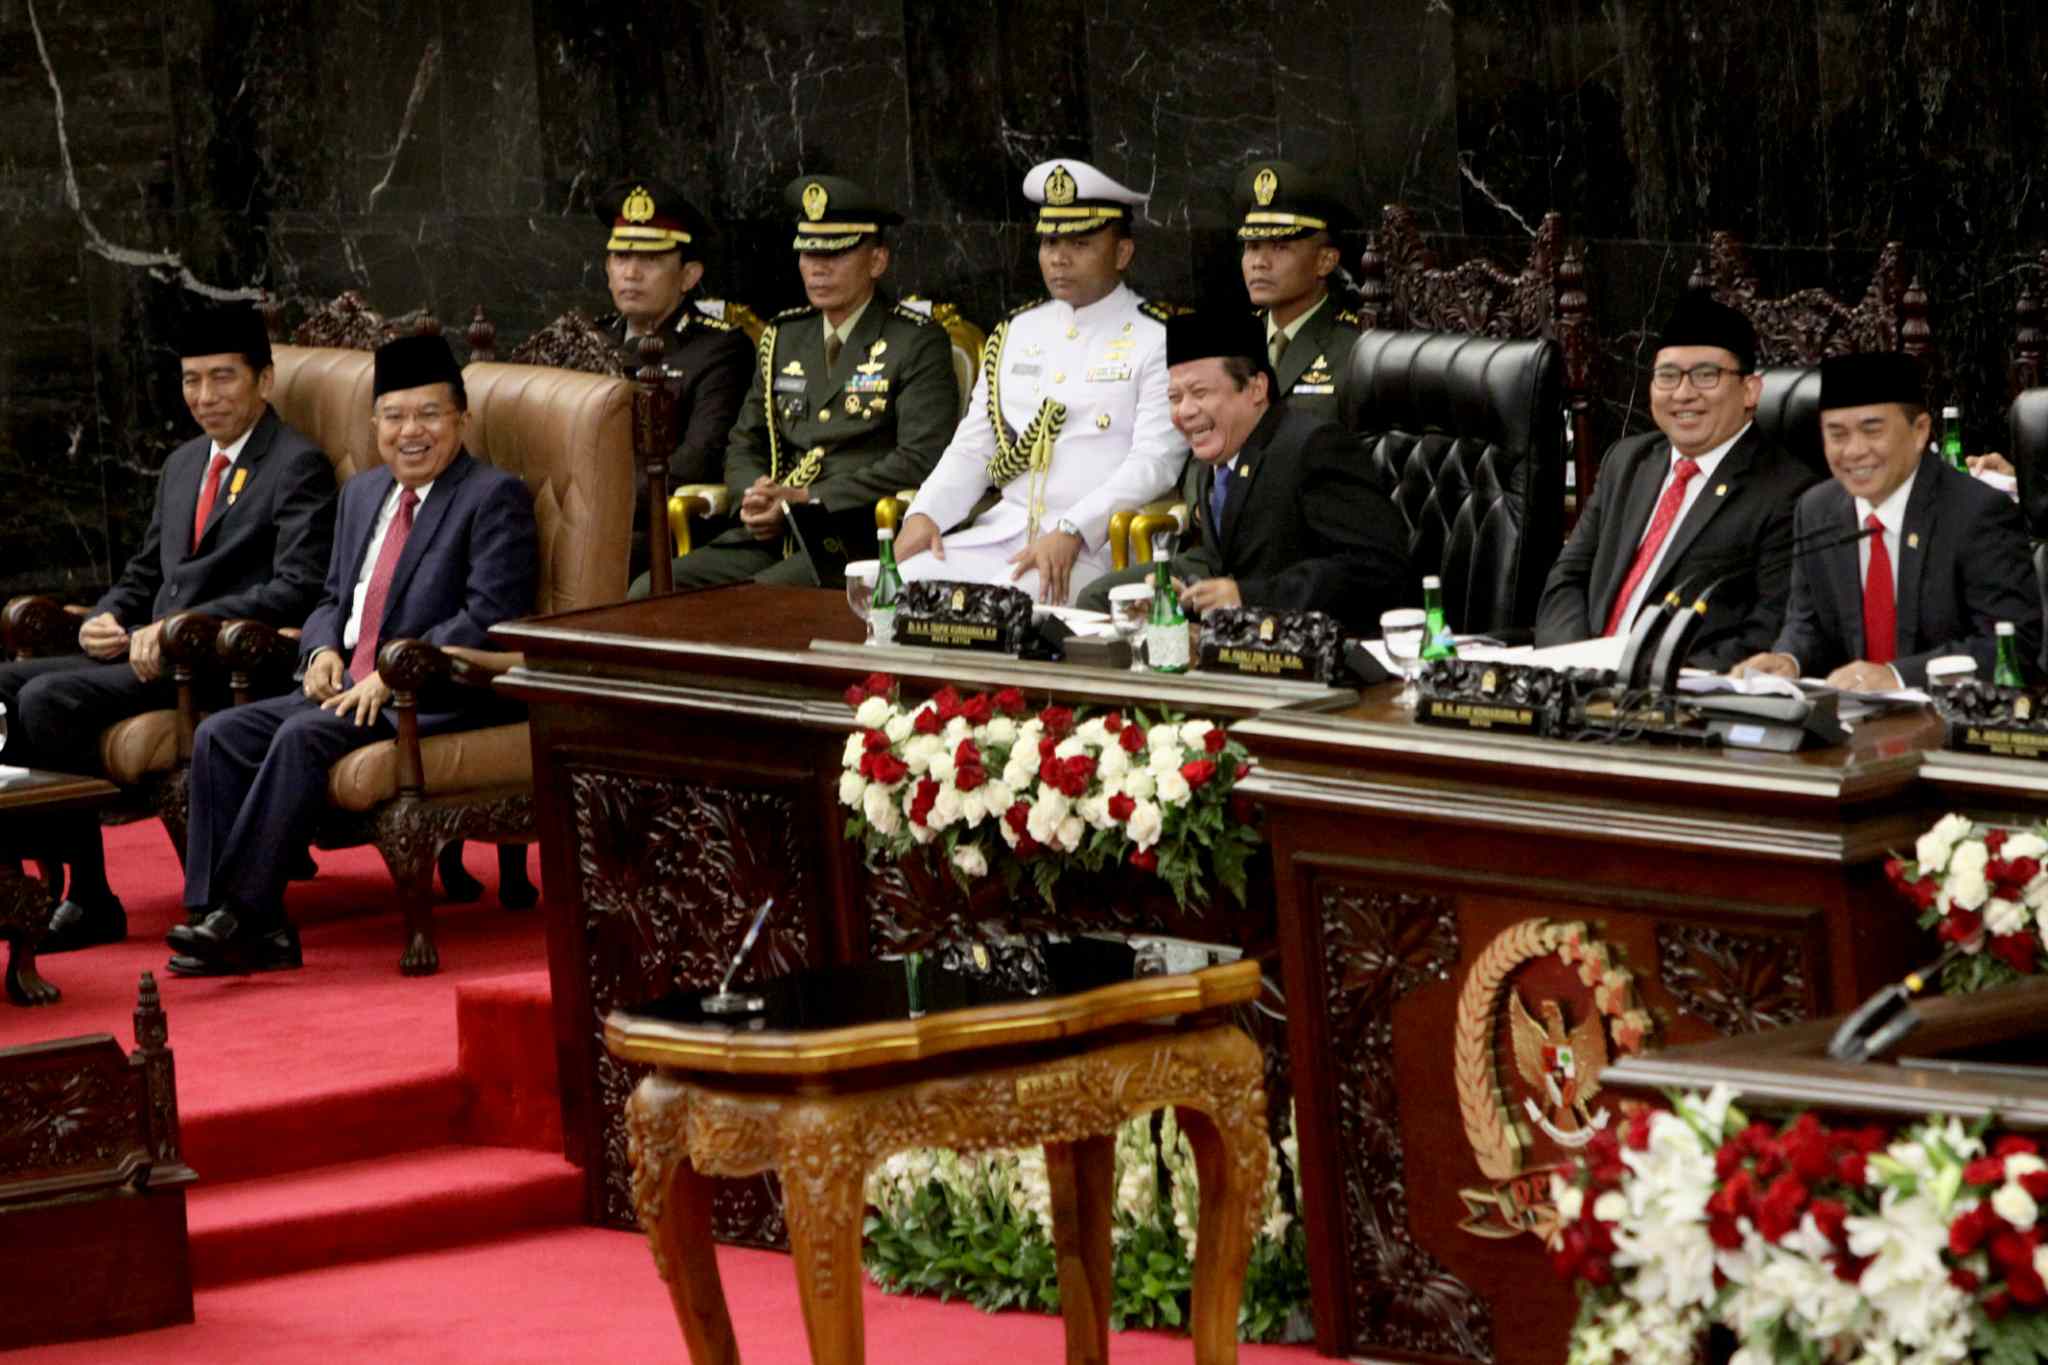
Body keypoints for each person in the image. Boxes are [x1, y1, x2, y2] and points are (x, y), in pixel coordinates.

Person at [169, 334, 538, 975]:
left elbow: (489, 618)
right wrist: (319, 652)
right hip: (349, 688)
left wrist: (393, 673)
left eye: (428, 415)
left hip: (436, 695)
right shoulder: (363, 493)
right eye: (394, 417)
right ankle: (224, 917)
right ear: (374, 426)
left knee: (301, 737)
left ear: (462, 419)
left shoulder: (492, 496)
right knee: (221, 734)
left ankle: (244, 917)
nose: (410, 432)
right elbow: (332, 597)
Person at [0, 305, 334, 953]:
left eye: (222, 378)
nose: (205, 397)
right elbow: (148, 568)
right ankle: (47, 886)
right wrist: (108, 616)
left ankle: (87, 896)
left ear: (264, 380)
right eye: (191, 380)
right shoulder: (184, 463)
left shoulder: (297, 465)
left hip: (222, 661)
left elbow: (298, 586)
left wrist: (187, 624)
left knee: (46, 699)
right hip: (150, 650)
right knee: (5, 686)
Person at [630, 175, 956, 595]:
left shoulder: (915, 340)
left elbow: (920, 458)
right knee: (652, 590)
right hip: (771, 533)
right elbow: (744, 440)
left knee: (760, 602)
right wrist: (754, 493)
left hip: (850, 533)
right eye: (808, 252)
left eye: (835, 253)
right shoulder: (786, 335)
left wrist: (808, 499)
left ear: (877, 261)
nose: (818, 268)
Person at [893, 159, 1183, 605]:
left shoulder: (1158, 336)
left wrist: (1072, 528)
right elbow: (974, 447)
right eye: (1050, 242)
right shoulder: (1017, 331)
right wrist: (926, 513)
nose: (1059, 258)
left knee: (1010, 604)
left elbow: (1155, 462)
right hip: (1003, 533)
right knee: (898, 585)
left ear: (1122, 253)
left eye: (1080, 243)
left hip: (1095, 546)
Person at [1078, 159, 1361, 612]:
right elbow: (1200, 437)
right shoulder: (1226, 339)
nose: (1259, 262)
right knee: (1101, 597)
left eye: (1280, 247)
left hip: (1296, 548)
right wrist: (1200, 501)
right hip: (1223, 544)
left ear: (1325, 260)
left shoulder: (1356, 350)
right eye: (1251, 247)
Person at [1535, 294, 1817, 668]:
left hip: (1675, 689)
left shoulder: (1788, 492)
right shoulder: (1627, 461)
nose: (1683, 394)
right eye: (1668, 376)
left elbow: (1764, 633)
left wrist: (1644, 677)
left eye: (1705, 375)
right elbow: (1567, 579)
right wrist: (1574, 664)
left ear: (1750, 390)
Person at [1734, 352, 2042, 688]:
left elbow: (2011, 646)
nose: (1854, 451)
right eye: (1837, 435)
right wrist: (1789, 660)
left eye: (1872, 431)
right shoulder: (1815, 509)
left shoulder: (1977, 512)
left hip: (1948, 712)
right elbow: (1809, 625)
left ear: (1919, 431)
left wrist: (1897, 676)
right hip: (1850, 712)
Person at [1152, 309, 1414, 633]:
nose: (1184, 412)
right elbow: (1237, 566)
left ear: (1256, 388)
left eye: (1200, 393)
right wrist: (1186, 594)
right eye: (1174, 397)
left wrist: (1248, 597)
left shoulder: (1314, 447)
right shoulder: (1218, 459)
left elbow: (1377, 568)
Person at [593, 177, 753, 559]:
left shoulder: (719, 349)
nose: (631, 273)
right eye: (621, 257)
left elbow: (695, 462)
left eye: (650, 260)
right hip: (581, 516)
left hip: (654, 528)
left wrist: (597, 497)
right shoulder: (590, 338)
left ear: (688, 276)